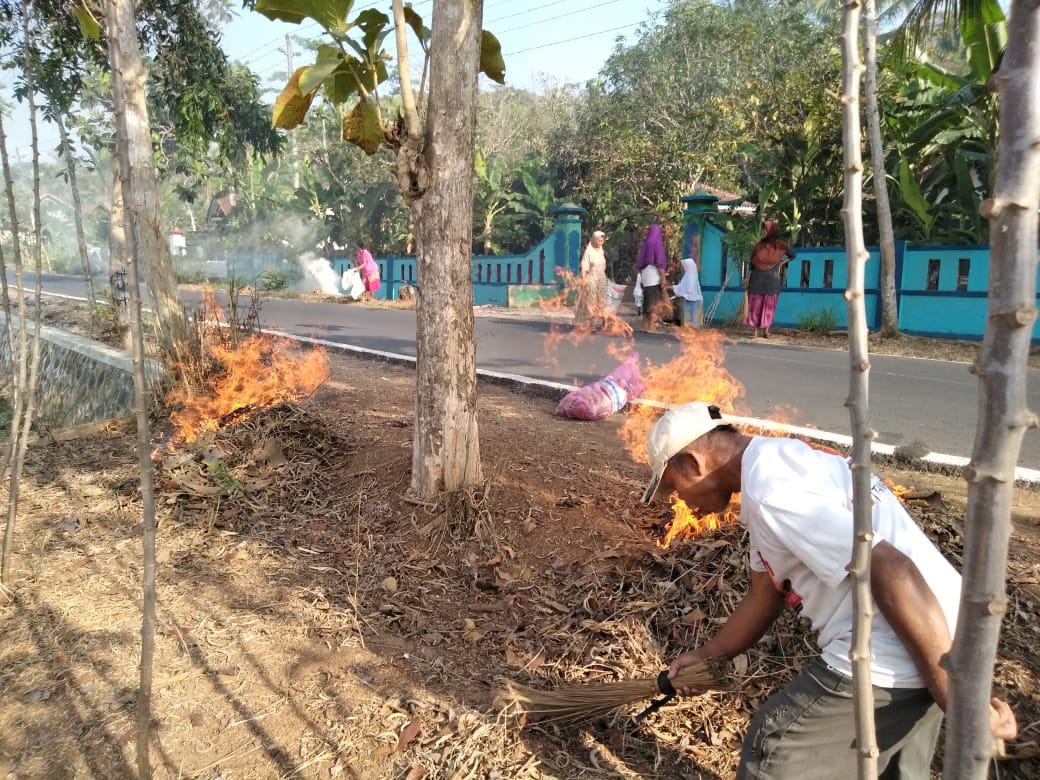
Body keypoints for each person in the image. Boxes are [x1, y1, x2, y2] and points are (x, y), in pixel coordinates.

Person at [641, 401, 1019, 778]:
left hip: (901, 643)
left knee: (773, 747)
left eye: (674, 488)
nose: (680, 501)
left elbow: (892, 569)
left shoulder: (772, 494)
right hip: (945, 630)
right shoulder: (781, 459)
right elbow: (764, 593)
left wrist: (957, 700)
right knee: (892, 769)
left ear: (693, 463)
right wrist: (707, 655)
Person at [744, 220, 795, 338]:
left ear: (771, 231)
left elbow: (792, 255)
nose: (763, 231)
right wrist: (747, 280)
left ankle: (766, 331)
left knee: (769, 306)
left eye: (765, 229)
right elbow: (751, 265)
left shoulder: (780, 245)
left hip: (772, 281)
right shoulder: (759, 246)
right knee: (754, 306)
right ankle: (754, 332)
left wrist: (781, 263)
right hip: (756, 279)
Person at [636, 223, 669, 333]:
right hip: (654, 277)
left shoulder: (646, 244)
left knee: (647, 303)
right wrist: (663, 278)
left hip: (646, 278)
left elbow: (640, 264)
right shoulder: (656, 243)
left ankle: (644, 326)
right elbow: (659, 262)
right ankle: (651, 327)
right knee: (655, 304)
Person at [574, 229, 609, 330]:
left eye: (602, 240)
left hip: (601, 278)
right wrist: (583, 281)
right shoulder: (588, 252)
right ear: (593, 240)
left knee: (602, 300)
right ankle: (591, 324)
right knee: (591, 301)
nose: (600, 242)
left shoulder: (601, 250)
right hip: (591, 279)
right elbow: (584, 268)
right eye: (598, 240)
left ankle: (604, 324)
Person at [672, 254, 703, 328]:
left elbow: (690, 289)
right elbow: (681, 287)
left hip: (694, 299)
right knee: (688, 318)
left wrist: (683, 295)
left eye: (683, 265)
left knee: (693, 318)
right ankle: (688, 331)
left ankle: (693, 332)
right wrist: (671, 287)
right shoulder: (687, 275)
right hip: (688, 299)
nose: (682, 267)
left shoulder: (691, 276)